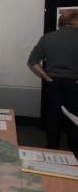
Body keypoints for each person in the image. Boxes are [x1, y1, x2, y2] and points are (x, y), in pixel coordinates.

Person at [27, 9, 78, 155]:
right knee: (74, 118)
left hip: (53, 83)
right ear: (74, 21)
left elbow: (32, 61)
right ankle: (74, 150)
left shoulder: (47, 38)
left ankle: (52, 148)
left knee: (53, 117)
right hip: (74, 85)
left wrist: (46, 77)